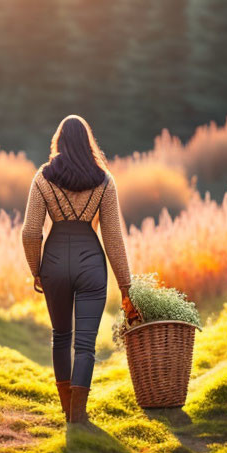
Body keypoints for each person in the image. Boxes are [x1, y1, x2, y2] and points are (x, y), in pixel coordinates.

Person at [21, 115, 140, 424]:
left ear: (59, 142)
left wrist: (37, 270)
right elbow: (113, 238)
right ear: (88, 143)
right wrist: (126, 287)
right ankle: (78, 414)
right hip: (91, 264)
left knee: (61, 335)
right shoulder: (104, 180)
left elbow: (30, 233)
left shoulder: (43, 178)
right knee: (85, 344)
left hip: (55, 263)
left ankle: (65, 407)